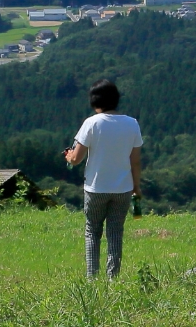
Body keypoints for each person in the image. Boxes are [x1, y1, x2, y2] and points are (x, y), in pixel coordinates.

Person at [64, 79, 143, 279]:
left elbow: (76, 158)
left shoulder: (91, 123)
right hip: (123, 188)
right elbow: (135, 162)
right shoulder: (132, 123)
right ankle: (112, 278)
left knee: (92, 231)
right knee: (115, 232)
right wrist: (137, 187)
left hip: (96, 187)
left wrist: (68, 156)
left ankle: (92, 277)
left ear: (94, 100)